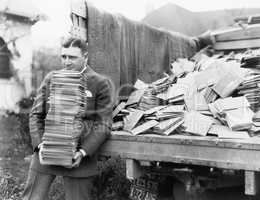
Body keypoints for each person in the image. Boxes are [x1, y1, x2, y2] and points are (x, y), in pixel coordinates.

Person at [22, 37, 114, 200]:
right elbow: (36, 114)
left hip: (79, 158)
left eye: (72, 57)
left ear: (85, 57)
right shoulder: (51, 78)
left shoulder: (100, 83)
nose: (66, 62)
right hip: (46, 154)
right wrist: (40, 145)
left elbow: (104, 123)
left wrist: (83, 152)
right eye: (63, 57)